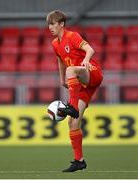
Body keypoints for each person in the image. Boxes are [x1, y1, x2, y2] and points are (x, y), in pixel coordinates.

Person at [46, 10, 103, 172]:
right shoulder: (55, 43)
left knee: (71, 70)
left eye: (53, 23)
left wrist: (85, 61)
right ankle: (79, 161)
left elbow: (90, 50)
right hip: (82, 83)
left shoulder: (72, 36)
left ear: (61, 24)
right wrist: (61, 79)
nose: (50, 27)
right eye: (48, 24)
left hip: (92, 73)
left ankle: (73, 106)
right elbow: (60, 60)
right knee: (73, 122)